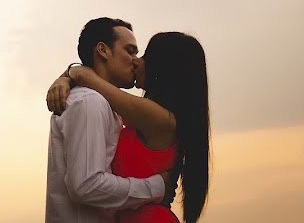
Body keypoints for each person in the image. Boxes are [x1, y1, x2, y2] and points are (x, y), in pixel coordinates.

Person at [47, 31, 210, 223]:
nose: (137, 62)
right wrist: (67, 78)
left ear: (163, 68)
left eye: (145, 56)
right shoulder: (141, 116)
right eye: (132, 53)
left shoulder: (159, 118)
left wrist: (73, 73)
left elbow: (89, 80)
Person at [46, 17, 168, 222]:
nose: (136, 61)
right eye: (130, 51)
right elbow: (86, 185)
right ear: (102, 50)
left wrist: (68, 74)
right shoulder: (89, 103)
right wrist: (156, 186)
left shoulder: (105, 105)